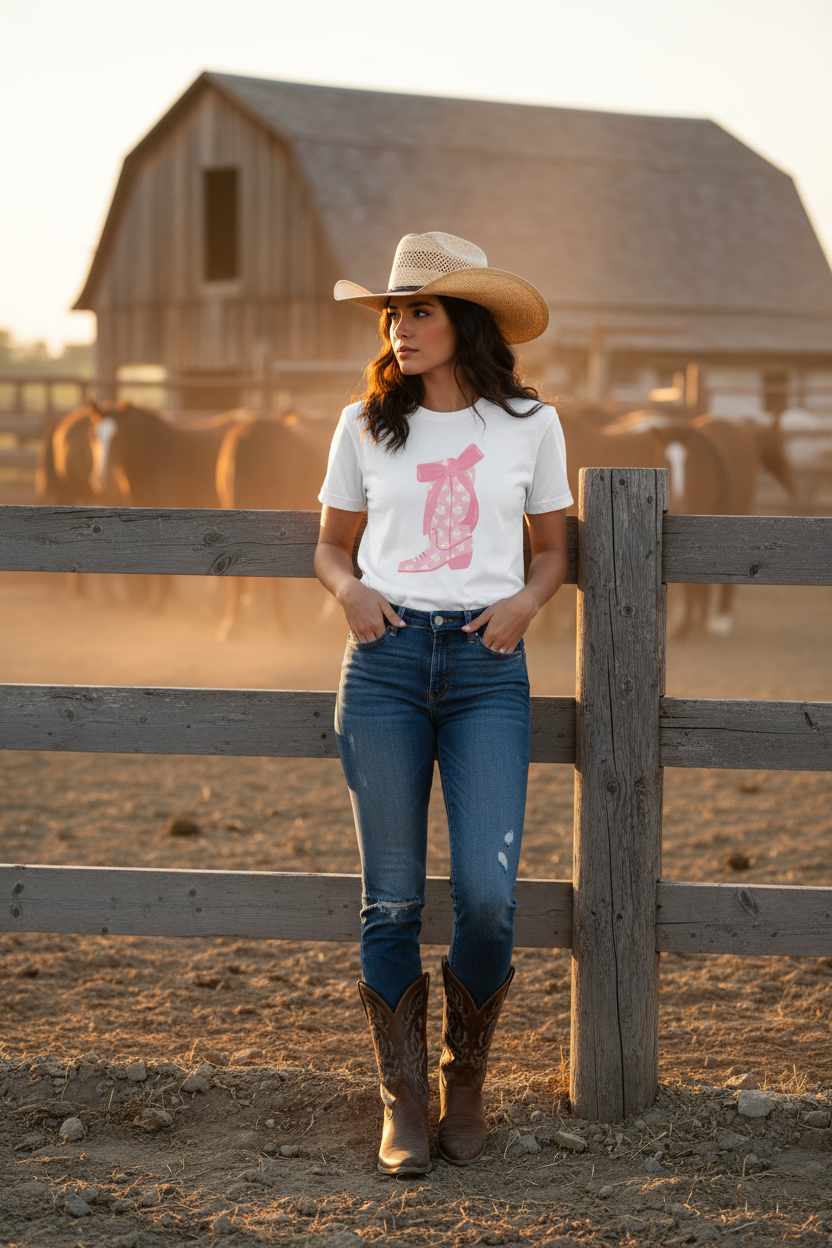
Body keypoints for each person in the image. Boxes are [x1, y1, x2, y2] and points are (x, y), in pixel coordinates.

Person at [314, 232, 572, 1175]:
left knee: (488, 898)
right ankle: (405, 1103)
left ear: (466, 322)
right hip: (382, 667)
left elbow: (551, 550)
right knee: (389, 903)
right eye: (394, 311)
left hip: (485, 670)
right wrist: (347, 592)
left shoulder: (531, 425)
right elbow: (332, 547)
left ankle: (468, 1083)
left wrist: (524, 604)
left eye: (419, 309)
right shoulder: (362, 424)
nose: (400, 326)